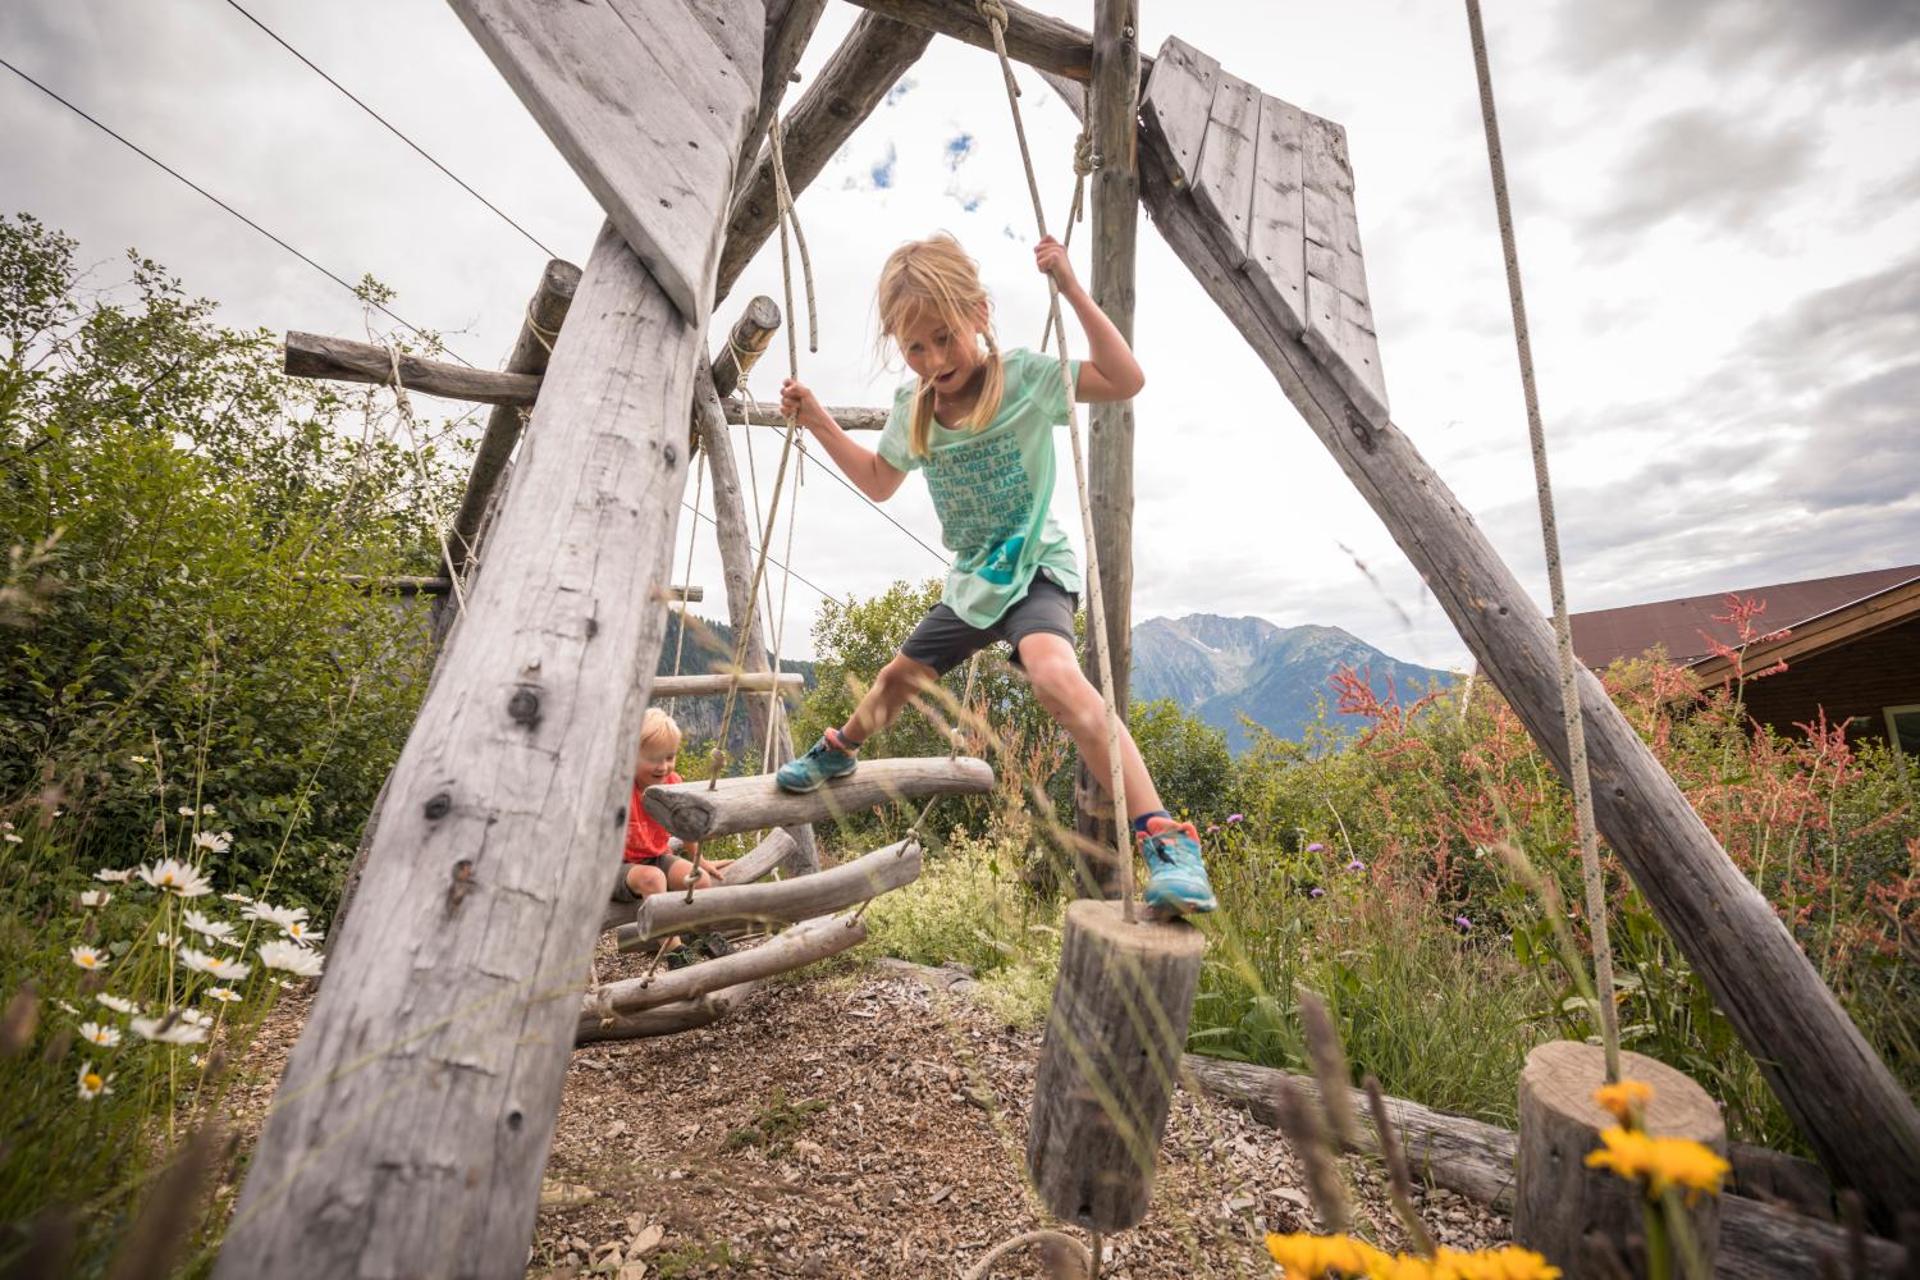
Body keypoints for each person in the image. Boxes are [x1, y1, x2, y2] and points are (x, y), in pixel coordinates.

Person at [774, 233, 1215, 916]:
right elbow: (879, 481)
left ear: (980, 313)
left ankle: (1164, 838)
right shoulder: (912, 407)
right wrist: (819, 421)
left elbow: (1126, 379)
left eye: (944, 338)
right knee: (896, 680)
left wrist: (1068, 286)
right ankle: (838, 751)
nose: (933, 360)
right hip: (975, 580)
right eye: (914, 347)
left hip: (1037, 565)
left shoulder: (1026, 378)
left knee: (1055, 678)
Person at [616, 708, 728, 905]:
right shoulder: (619, 787)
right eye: (653, 759)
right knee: (653, 879)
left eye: (669, 758)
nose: (663, 767)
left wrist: (699, 860)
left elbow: (683, 825)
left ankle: (681, 932)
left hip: (656, 858)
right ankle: (671, 937)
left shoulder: (673, 783)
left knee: (700, 880)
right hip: (616, 868)